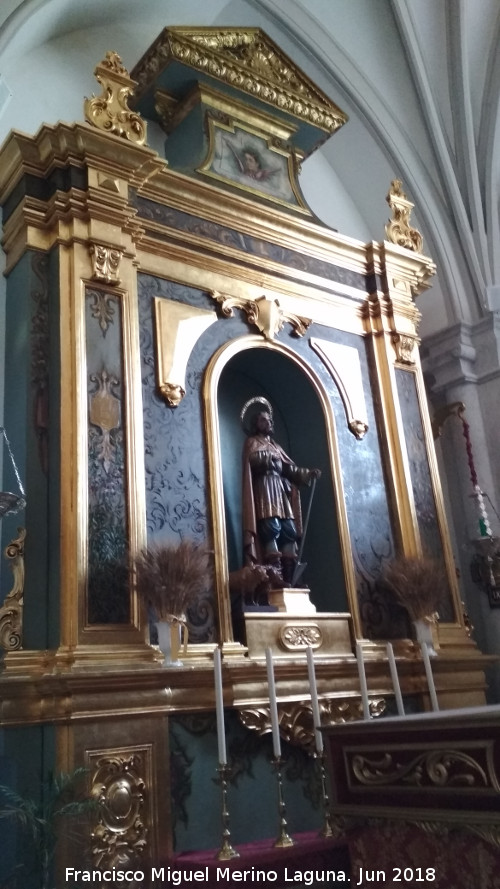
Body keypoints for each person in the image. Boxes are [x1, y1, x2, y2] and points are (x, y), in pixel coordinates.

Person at [241, 400, 321, 587]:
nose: (268, 423)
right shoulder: (252, 442)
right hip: (265, 488)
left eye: (269, 420)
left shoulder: (277, 447)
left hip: (281, 491)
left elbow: (289, 469)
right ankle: (274, 580)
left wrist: (307, 473)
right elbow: (251, 460)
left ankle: (290, 579)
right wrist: (267, 457)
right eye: (263, 420)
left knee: (289, 531)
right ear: (255, 424)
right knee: (271, 528)